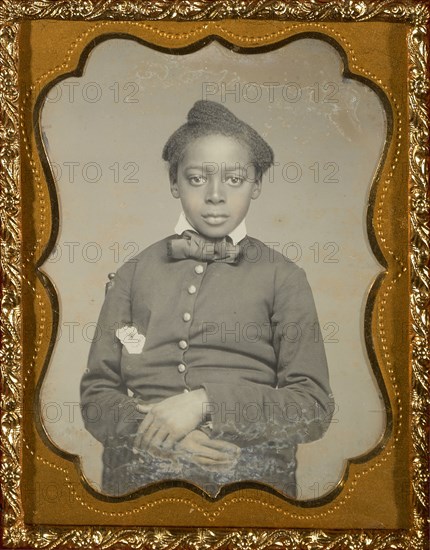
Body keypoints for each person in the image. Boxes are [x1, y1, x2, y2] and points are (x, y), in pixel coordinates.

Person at [80, 100, 334, 498]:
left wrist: (205, 403)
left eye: (234, 179)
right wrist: (162, 436)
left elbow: (313, 409)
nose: (215, 195)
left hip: (252, 478)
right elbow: (97, 394)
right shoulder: (133, 273)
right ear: (174, 181)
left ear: (257, 184)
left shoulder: (284, 278)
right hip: (142, 475)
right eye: (197, 178)